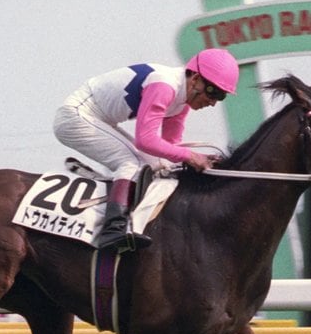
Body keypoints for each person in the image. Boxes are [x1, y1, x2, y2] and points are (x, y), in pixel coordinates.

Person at [53, 47, 238, 251]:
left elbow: (170, 147)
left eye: (221, 96)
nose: (212, 102)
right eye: (212, 91)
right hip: (76, 116)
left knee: (158, 166)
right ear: (195, 78)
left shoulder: (182, 101)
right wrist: (191, 156)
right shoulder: (164, 85)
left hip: (98, 120)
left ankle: (134, 217)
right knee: (132, 162)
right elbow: (146, 140)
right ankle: (113, 230)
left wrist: (201, 159)